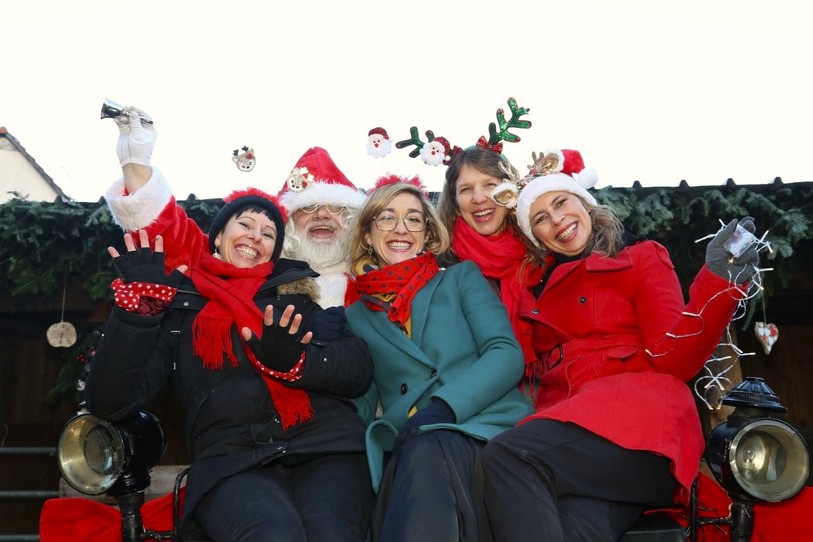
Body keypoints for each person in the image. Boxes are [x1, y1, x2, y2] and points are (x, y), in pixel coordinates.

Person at [86, 109, 376, 541]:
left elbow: (356, 369)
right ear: (218, 237)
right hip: (232, 460)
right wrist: (135, 316)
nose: (255, 236)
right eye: (245, 224)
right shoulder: (181, 308)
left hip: (327, 448)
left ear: (276, 253)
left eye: (267, 233)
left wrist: (294, 362)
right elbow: (109, 401)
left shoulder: (300, 298)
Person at [476, 147, 761, 542]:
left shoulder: (640, 258)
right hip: (576, 445)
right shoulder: (531, 294)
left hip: (635, 428)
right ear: (533, 235)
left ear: (585, 203)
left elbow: (674, 357)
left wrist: (717, 283)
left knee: (509, 456)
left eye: (561, 202)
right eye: (540, 218)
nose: (556, 220)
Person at [344, 175, 533, 542]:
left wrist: (444, 408)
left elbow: (506, 354)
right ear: (367, 234)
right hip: (409, 437)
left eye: (414, 218)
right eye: (386, 217)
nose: (401, 228)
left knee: (425, 452)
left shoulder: (460, 279)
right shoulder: (354, 316)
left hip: (483, 424)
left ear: (428, 234)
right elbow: (361, 405)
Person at [436, 144, 542, 386]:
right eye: (465, 189)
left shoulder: (542, 249)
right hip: (472, 392)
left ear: (510, 189)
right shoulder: (441, 265)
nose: (479, 198)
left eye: (489, 185)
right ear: (454, 200)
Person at [276, 146, 367, 308]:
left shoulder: (376, 279)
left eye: (335, 207)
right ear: (290, 221)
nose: (322, 214)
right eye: (308, 207)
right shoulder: (265, 281)